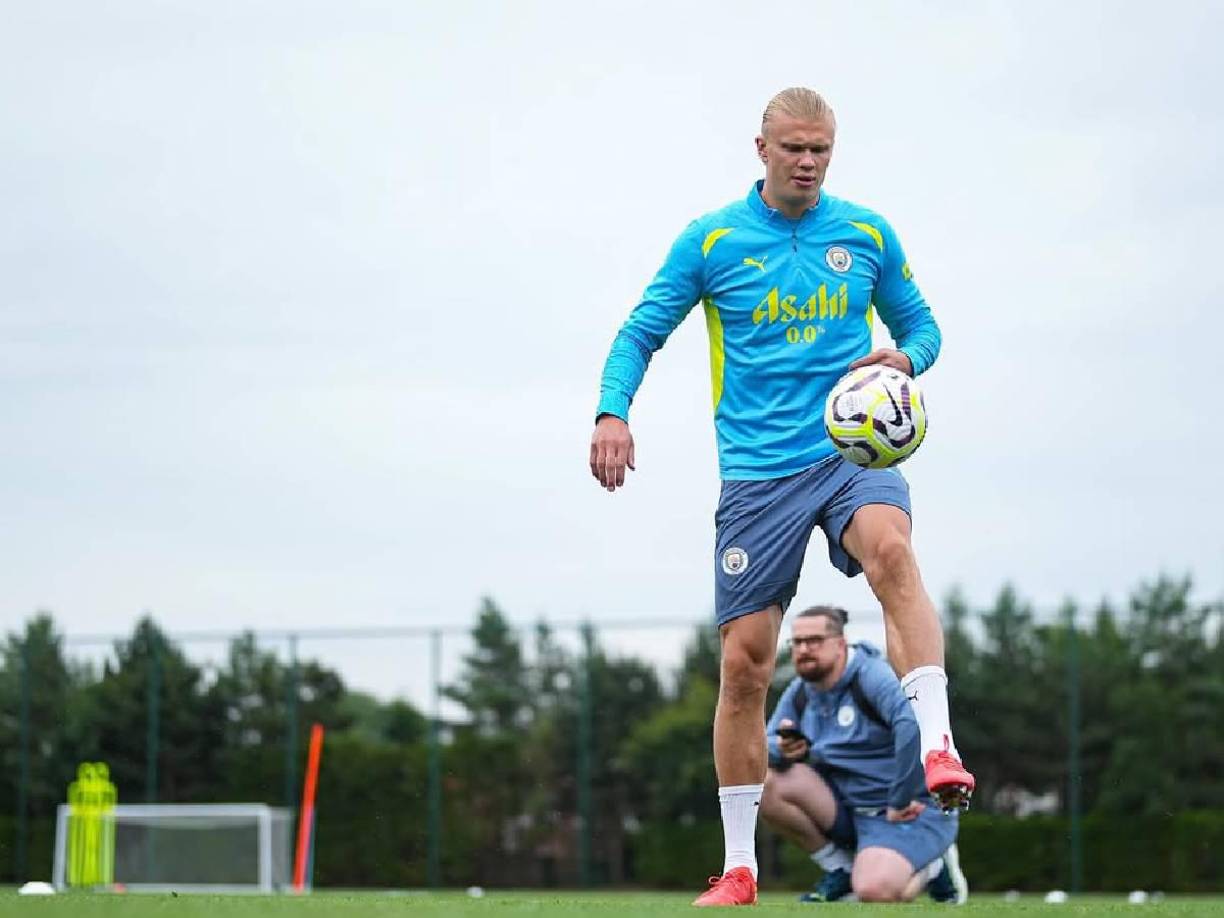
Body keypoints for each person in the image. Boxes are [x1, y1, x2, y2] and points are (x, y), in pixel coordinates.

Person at [588, 87, 974, 907]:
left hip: (848, 452)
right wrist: (612, 410)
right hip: (758, 476)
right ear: (760, 149)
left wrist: (903, 363)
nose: (808, 161)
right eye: (794, 147)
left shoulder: (866, 233)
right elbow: (640, 332)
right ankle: (738, 867)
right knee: (744, 666)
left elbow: (924, 330)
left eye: (821, 149)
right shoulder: (713, 239)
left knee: (894, 553)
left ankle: (939, 747)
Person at [761, 605, 968, 904]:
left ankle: (934, 866)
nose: (804, 649)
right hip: (850, 812)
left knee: (874, 891)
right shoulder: (801, 691)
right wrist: (779, 749)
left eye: (815, 640)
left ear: (840, 644)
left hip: (907, 810)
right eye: (798, 642)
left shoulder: (871, 675)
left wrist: (900, 798)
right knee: (766, 784)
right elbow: (765, 742)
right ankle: (841, 869)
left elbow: (910, 724)